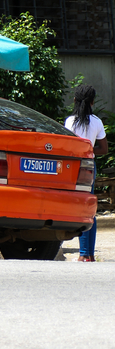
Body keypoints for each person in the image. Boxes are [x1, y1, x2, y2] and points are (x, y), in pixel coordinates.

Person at [65, 85, 108, 261]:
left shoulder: (69, 121)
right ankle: (88, 254)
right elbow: (103, 149)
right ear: (92, 102)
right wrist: (88, 150)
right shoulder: (97, 121)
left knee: (78, 209)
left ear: (74, 100)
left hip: (74, 167)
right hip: (90, 165)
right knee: (89, 209)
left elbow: (67, 147)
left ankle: (83, 255)